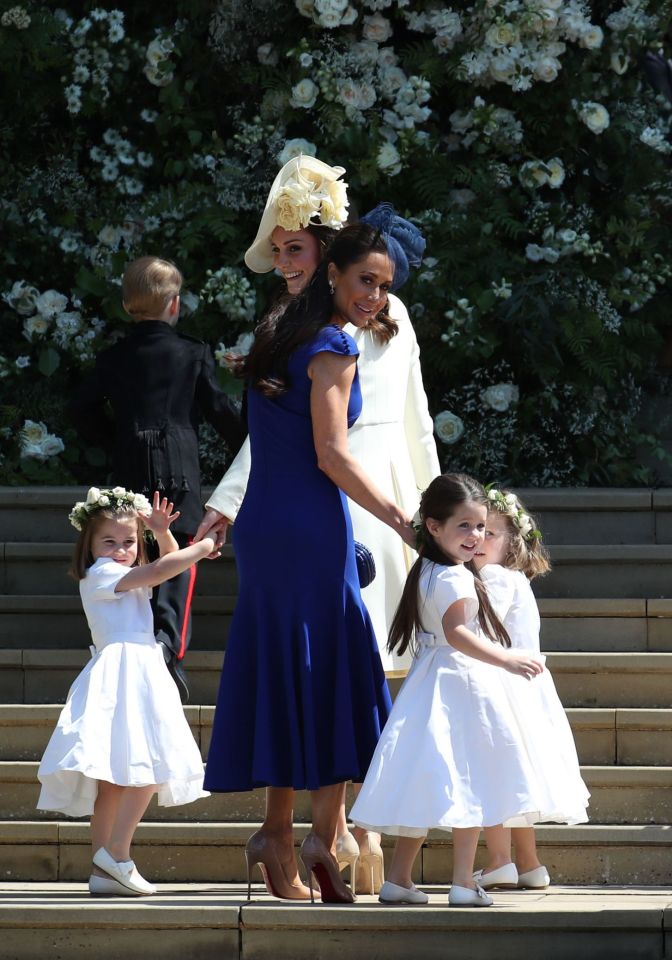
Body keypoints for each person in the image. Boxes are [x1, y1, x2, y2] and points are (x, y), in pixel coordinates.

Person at [196, 156, 440, 894]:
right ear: (334, 273)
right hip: (313, 518)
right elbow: (332, 455)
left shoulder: (277, 328)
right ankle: (315, 840)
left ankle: (283, 835)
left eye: (383, 285)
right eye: (364, 280)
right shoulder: (331, 345)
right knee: (333, 670)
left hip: (273, 523)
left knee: (289, 667)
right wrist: (406, 522)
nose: (374, 295)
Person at [350, 473, 550, 908]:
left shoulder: (426, 567)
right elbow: (457, 633)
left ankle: (399, 878)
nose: (476, 536)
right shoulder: (456, 577)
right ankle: (462, 881)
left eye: (481, 527)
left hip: (429, 682)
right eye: (465, 526)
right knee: (470, 780)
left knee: (426, 778)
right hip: (463, 682)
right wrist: (508, 658)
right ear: (433, 526)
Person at [68, 256, 246, 700]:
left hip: (130, 467)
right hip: (179, 467)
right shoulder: (191, 351)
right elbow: (220, 411)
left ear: (129, 305)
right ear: (174, 304)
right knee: (178, 557)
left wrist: (114, 439)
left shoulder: (113, 356)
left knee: (135, 550)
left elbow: (80, 408)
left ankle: (145, 641)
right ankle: (168, 645)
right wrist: (251, 443)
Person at [36, 488, 221, 897]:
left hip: (137, 667)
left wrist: (161, 533)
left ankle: (104, 870)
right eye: (110, 541)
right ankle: (117, 853)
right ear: (91, 545)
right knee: (150, 765)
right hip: (125, 670)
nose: (120, 550)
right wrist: (203, 545)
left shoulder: (124, 574)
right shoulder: (101, 574)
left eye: (129, 542)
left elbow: (167, 568)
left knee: (117, 782)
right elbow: (160, 571)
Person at [471, 488, 589, 891]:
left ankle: (500, 859)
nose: (478, 539)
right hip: (525, 688)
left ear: (511, 543)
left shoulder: (494, 578)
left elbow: (479, 631)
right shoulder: (513, 578)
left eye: (490, 533)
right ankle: (530, 863)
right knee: (517, 779)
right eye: (475, 529)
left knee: (496, 775)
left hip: (504, 686)